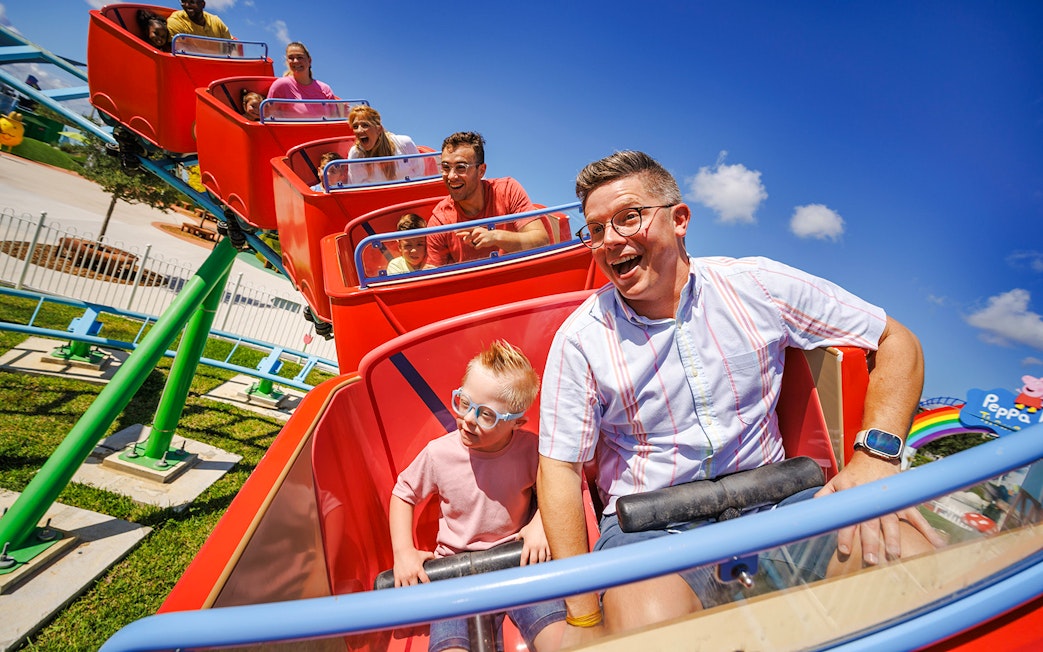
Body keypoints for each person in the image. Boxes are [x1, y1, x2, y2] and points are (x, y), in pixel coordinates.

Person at [536, 150, 944, 636]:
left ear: (679, 219)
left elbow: (895, 339)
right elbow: (559, 469)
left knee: (912, 567)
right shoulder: (580, 339)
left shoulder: (757, 284)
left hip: (779, 502)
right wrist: (584, 613)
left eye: (628, 217)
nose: (610, 240)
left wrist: (876, 459)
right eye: (596, 229)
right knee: (649, 629)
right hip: (651, 526)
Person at [389, 340, 566, 652]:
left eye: (486, 415)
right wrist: (403, 552)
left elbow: (556, 486)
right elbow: (403, 494)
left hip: (517, 560)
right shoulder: (439, 454)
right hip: (454, 571)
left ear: (516, 423)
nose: (469, 418)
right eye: (464, 402)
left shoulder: (529, 450)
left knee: (560, 639)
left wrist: (541, 523)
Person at [426, 132, 549, 267]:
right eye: (446, 167)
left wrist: (495, 237)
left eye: (461, 167)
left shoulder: (508, 190)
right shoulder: (439, 221)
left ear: (481, 171)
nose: (451, 176)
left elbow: (541, 241)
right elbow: (435, 270)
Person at [346, 105, 424, 184]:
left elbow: (419, 174)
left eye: (365, 125)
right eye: (355, 126)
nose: (359, 130)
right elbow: (358, 185)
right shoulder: (355, 154)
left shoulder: (405, 143)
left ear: (379, 129)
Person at [266, 42, 336, 119]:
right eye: (291, 58)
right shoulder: (280, 85)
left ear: (309, 61)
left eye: (300, 57)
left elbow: (334, 118)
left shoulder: (325, 89)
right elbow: (268, 116)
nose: (295, 61)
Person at [166, 0, 232, 39]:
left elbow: (231, 47)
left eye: (192, 1)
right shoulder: (175, 21)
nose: (187, 5)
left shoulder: (216, 22)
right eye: (183, 1)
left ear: (203, 4)